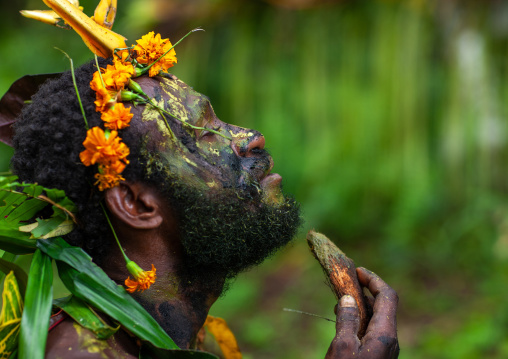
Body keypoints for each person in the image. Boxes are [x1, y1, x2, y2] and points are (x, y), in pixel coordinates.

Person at [8, 56, 399, 358]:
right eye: (203, 133)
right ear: (135, 204)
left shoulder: (204, 340)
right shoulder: (74, 353)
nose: (252, 137)